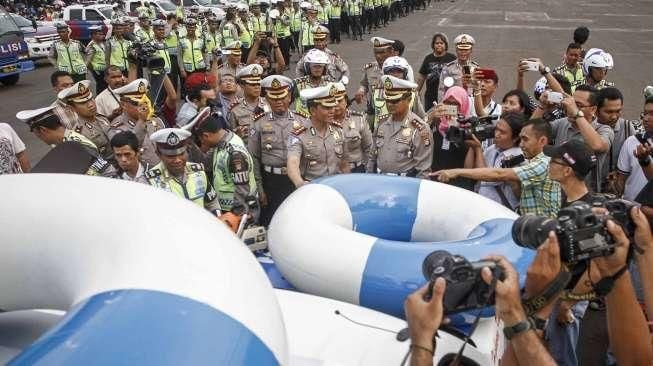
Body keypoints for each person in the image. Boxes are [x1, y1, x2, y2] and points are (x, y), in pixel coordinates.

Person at [433, 118, 561, 218]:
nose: (521, 144)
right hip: (530, 227)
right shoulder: (531, 160)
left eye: (525, 140)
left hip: (541, 231)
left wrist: (456, 171)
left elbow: (498, 174)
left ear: (542, 141)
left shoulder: (543, 164)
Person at [187, 108, 260, 221]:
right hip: (228, 209)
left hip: (238, 211)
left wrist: (236, 216)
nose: (203, 144)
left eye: (201, 140)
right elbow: (205, 163)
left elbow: (241, 190)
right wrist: (190, 144)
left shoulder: (234, 154)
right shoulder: (222, 143)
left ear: (206, 136)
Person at [248, 75, 303, 226]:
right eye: (273, 97)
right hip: (270, 181)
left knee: (297, 219)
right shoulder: (259, 123)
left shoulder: (303, 120)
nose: (278, 101)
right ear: (267, 99)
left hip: (295, 179)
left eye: (282, 97)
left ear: (290, 96)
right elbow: (253, 157)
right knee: (272, 221)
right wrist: (259, 188)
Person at [549, 85, 614, 192]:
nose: (570, 108)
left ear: (593, 109)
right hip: (555, 192)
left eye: (578, 105)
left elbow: (597, 145)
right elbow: (532, 135)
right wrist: (542, 107)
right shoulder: (562, 123)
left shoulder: (603, 129)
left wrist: (576, 113)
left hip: (584, 197)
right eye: (572, 103)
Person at [368, 75, 432, 178]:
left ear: (409, 99)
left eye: (395, 101)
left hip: (404, 183)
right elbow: (372, 157)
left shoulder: (420, 128)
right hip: (380, 181)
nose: (390, 104)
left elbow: (423, 170)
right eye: (387, 100)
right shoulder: (381, 123)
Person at [146, 128, 221, 213]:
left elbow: (212, 203)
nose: (177, 160)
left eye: (181, 154)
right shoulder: (150, 182)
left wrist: (218, 218)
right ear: (159, 154)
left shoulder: (198, 171)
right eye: (171, 156)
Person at [287, 84, 350, 187]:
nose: (332, 111)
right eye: (326, 108)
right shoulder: (299, 134)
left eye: (332, 106)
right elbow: (292, 162)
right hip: (312, 188)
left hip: (335, 187)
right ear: (313, 110)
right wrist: (299, 182)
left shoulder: (338, 130)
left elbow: (344, 163)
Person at [464, 112, 525, 210]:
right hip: (481, 204)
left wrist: (478, 149)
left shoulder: (518, 156)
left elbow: (484, 176)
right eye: (496, 129)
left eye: (502, 132)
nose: (496, 134)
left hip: (500, 210)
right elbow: (468, 169)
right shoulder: (492, 149)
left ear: (515, 138)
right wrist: (473, 146)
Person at [595, 87, 642, 194]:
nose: (614, 116)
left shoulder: (627, 127)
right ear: (596, 110)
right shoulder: (588, 127)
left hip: (616, 192)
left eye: (618, 111)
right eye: (609, 112)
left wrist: (618, 174)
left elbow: (634, 159)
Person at [109, 78, 163, 167]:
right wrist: (141, 121)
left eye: (145, 102)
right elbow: (128, 147)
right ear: (123, 104)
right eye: (136, 103)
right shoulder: (117, 127)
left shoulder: (155, 120)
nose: (143, 107)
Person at [58, 80, 113, 161]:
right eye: (83, 103)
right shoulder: (79, 134)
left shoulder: (102, 118)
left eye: (91, 99)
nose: (91, 104)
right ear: (71, 108)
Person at [617, 97, 653, 200]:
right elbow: (621, 180)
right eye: (645, 113)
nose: (645, 118)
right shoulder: (631, 141)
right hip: (630, 209)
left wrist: (644, 161)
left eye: (652, 114)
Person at [332, 82, 372, 173]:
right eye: (332, 102)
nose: (336, 105)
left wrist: (367, 170)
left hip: (356, 170)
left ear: (346, 101)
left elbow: (369, 148)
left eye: (339, 101)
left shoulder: (359, 119)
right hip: (333, 172)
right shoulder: (324, 122)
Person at [355, 37, 394, 127]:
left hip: (391, 113)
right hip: (373, 112)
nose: (378, 56)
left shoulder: (398, 69)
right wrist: (361, 91)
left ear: (390, 52)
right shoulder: (370, 68)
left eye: (382, 52)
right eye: (376, 53)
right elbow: (364, 84)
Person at [230, 64, 268, 143]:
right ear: (242, 86)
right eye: (253, 84)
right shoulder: (235, 110)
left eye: (259, 84)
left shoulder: (269, 104)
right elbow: (232, 136)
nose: (257, 87)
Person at [416, 33, 456, 108]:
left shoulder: (452, 58)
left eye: (441, 43)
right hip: (430, 96)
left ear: (445, 45)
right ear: (433, 45)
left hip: (448, 95)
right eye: (437, 43)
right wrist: (416, 92)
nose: (439, 45)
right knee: (430, 117)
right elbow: (422, 76)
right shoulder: (428, 58)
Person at [436, 33, 478, 102]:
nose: (463, 53)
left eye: (466, 50)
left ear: (471, 50)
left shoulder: (476, 68)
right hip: (454, 104)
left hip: (471, 105)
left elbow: (479, 90)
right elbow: (442, 90)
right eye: (460, 50)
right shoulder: (448, 69)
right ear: (456, 50)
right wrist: (442, 107)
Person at [293, 48, 333, 115]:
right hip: (302, 122)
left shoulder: (329, 85)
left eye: (320, 66)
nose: (317, 69)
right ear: (308, 68)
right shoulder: (298, 84)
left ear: (324, 69)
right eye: (314, 66)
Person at [85, 26, 108, 94]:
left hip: (104, 69)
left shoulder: (101, 43)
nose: (102, 36)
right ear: (93, 35)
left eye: (102, 34)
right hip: (98, 70)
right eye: (100, 34)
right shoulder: (91, 46)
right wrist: (93, 70)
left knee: (105, 85)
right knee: (101, 86)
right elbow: (87, 61)